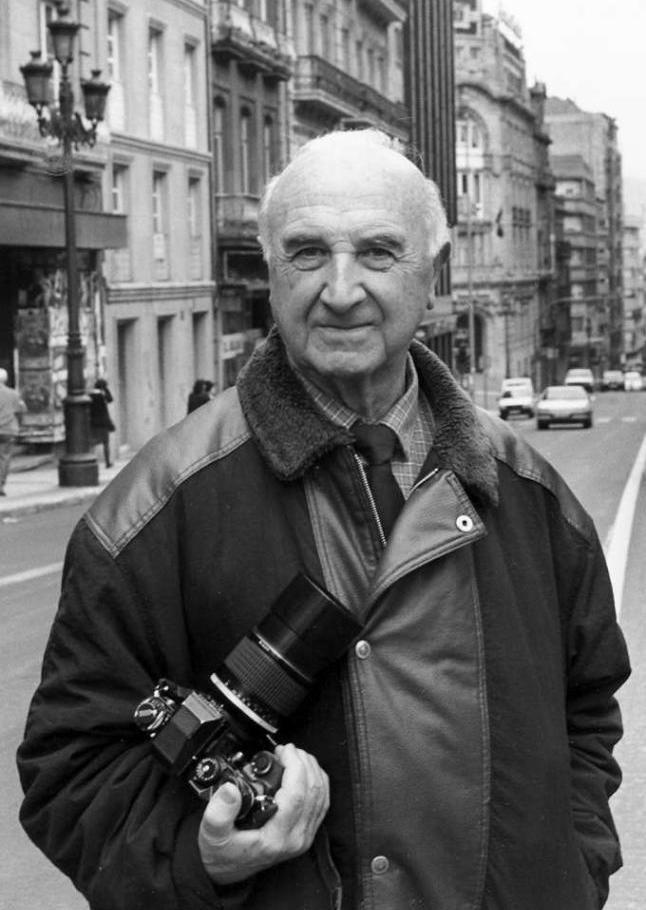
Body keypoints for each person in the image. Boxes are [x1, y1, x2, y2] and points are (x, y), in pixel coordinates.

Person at [17, 130, 630, 910]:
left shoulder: (530, 493)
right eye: (308, 254)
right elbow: (71, 771)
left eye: (378, 252)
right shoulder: (157, 503)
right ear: (270, 273)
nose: (341, 289)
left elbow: (587, 711)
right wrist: (206, 859)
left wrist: (570, 870)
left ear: (433, 274)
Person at [0, 367, 26, 496]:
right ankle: (1, 484)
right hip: (9, 429)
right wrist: (19, 424)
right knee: (4, 458)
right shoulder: (13, 394)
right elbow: (21, 410)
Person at [89, 378, 115, 468]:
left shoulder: (90, 395)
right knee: (106, 443)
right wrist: (106, 390)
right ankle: (107, 462)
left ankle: (91, 461)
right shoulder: (102, 396)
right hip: (103, 423)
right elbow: (110, 399)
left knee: (92, 443)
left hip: (93, 423)